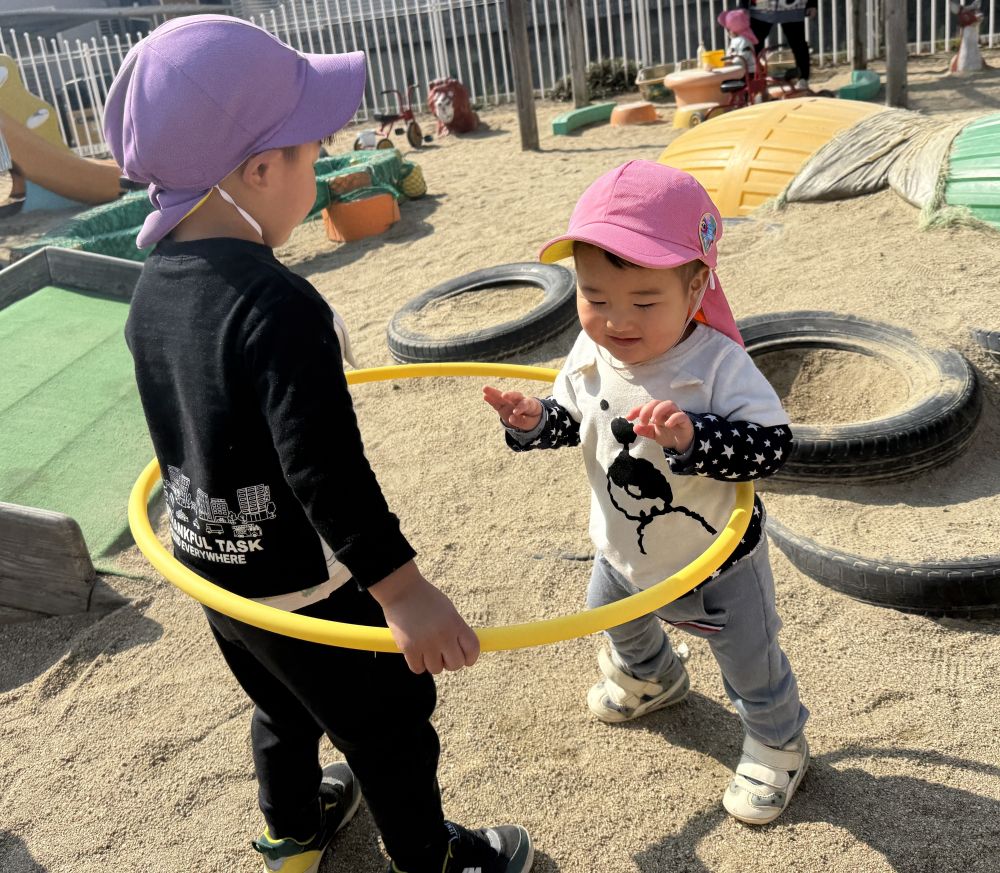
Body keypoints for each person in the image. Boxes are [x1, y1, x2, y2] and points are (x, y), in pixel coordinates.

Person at [106, 15, 533, 873]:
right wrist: (402, 590)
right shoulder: (278, 308)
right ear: (261, 170)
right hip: (308, 584)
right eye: (313, 154)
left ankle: (294, 830)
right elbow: (323, 470)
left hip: (218, 568)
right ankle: (430, 858)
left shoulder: (151, 290)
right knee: (390, 726)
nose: (321, 167)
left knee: (281, 704)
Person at [483, 161, 809, 825]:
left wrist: (694, 436)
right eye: (595, 297)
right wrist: (535, 421)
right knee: (609, 611)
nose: (616, 321)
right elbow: (574, 419)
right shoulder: (588, 351)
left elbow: (771, 447)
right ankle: (652, 675)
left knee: (750, 661)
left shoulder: (717, 364)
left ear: (695, 288)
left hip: (715, 561)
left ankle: (778, 742)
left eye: (644, 301)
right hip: (622, 547)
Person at [742, 0, 817, 90]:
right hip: (761, 8)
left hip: (792, 8)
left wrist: (812, 3)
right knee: (753, 45)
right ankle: (750, 81)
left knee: (798, 44)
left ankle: (803, 79)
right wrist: (743, 5)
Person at [717, 9, 759, 80]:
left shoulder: (744, 40)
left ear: (734, 29)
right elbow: (731, 52)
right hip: (739, 70)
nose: (728, 32)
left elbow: (742, 57)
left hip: (748, 72)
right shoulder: (735, 39)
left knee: (723, 80)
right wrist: (725, 60)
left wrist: (731, 62)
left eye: (728, 29)